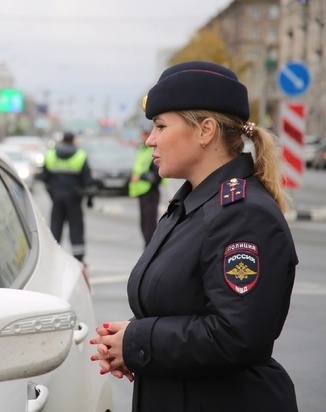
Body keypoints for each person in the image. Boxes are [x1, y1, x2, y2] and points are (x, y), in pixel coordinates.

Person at [89, 61, 299, 412]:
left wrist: (139, 340)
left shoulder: (243, 214)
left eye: (160, 126)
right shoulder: (192, 203)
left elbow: (236, 336)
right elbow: (185, 307)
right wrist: (132, 344)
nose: (150, 140)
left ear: (206, 131)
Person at [40, 131, 95, 262]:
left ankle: (52, 256)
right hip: (74, 198)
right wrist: (89, 198)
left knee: (55, 228)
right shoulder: (80, 155)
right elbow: (87, 180)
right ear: (73, 140)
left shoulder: (51, 154)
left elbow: (44, 177)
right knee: (76, 229)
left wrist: (53, 194)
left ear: (62, 140)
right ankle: (79, 259)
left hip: (57, 197)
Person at [128, 119, 164, 247]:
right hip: (142, 192)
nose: (143, 137)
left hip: (150, 191)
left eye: (145, 134)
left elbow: (156, 176)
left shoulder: (152, 151)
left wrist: (141, 177)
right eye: (142, 134)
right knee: (144, 225)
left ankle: (150, 252)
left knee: (149, 226)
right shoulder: (143, 149)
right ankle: (148, 250)